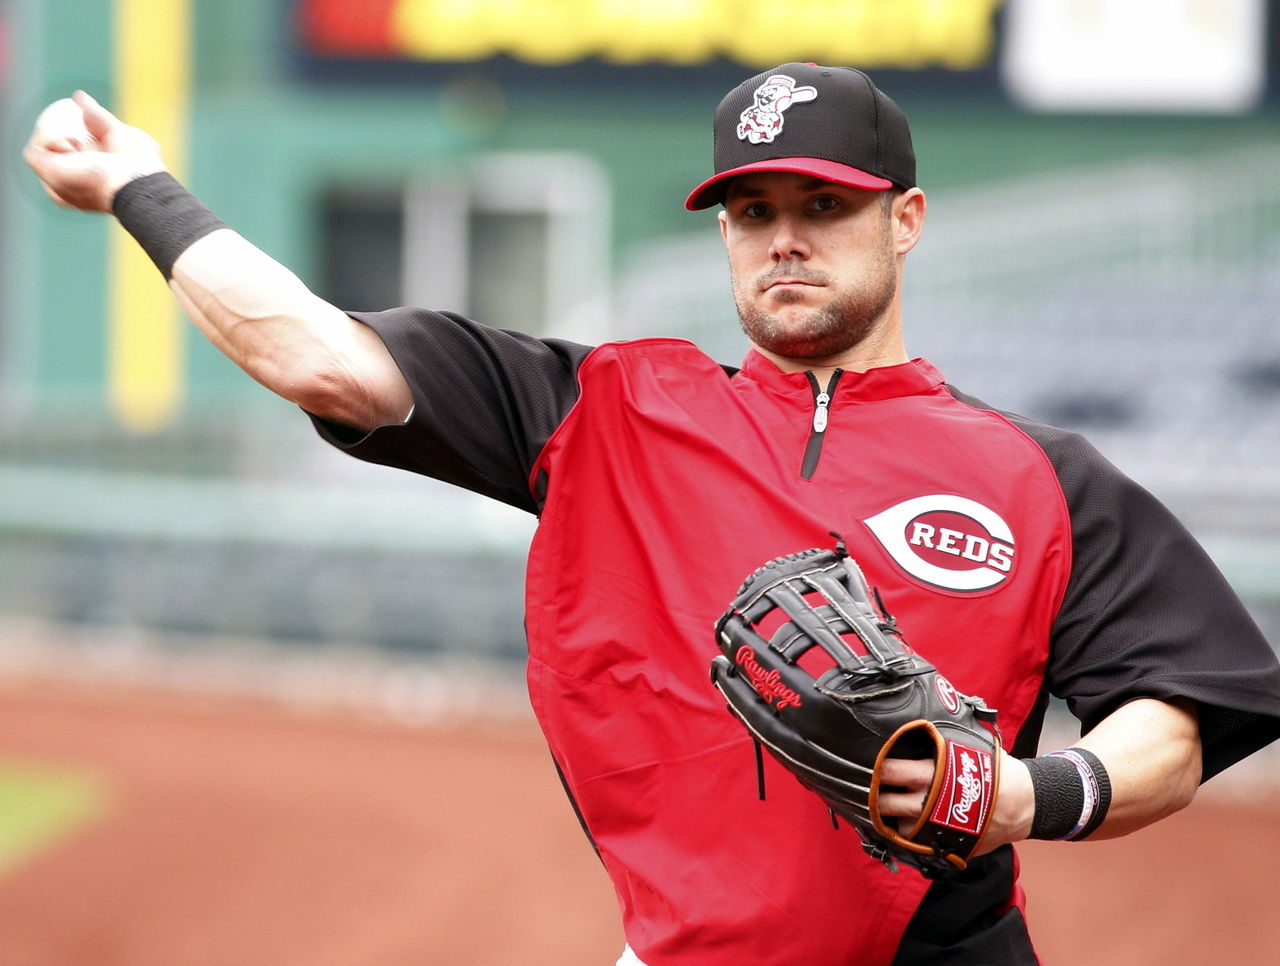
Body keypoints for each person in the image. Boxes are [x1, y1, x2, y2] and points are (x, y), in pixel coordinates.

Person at [25, 63, 1280, 965]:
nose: (782, 241)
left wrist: (1029, 794)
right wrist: (143, 185)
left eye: (822, 207)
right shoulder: (608, 409)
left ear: (904, 221)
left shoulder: (1035, 475)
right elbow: (319, 359)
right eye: (751, 213)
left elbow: (1177, 706)